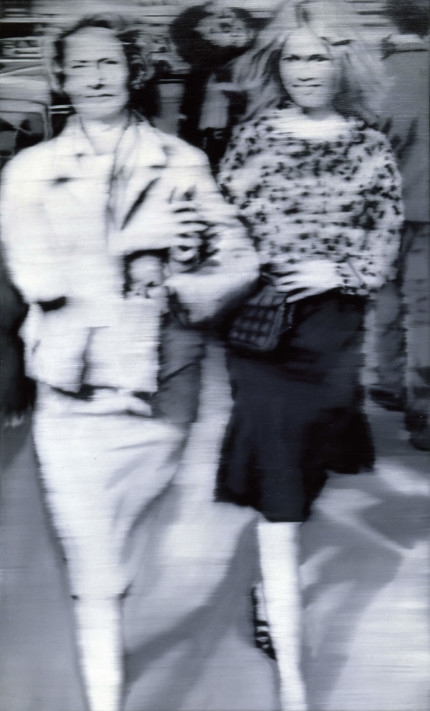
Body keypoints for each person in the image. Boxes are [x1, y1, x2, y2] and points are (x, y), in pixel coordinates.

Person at [0, 14, 258, 711]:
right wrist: (131, 240)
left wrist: (189, 284)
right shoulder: (29, 170)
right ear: (60, 77)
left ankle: (111, 599)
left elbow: (238, 256)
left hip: (162, 385)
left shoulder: (181, 159)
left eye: (108, 63)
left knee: (127, 538)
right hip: (73, 387)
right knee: (92, 558)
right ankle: (104, 693)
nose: (95, 77)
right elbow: (39, 278)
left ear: (133, 72)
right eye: (80, 65)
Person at [215, 1, 403, 708]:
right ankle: (291, 676)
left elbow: (384, 236)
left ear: (343, 63)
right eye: (293, 57)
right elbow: (226, 226)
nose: (305, 69)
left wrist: (339, 271)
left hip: (335, 330)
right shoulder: (254, 136)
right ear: (276, 67)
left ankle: (271, 578)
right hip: (263, 326)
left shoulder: (369, 145)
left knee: (313, 454)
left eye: (318, 55)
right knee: (278, 467)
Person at [370, 0, 430, 450]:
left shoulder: (381, 77)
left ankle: (389, 381)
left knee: (387, 296)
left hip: (390, 210)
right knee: (425, 310)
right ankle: (423, 407)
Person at [170, 3, 257, 171]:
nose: (233, 32)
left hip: (233, 124)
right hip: (202, 121)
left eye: (237, 28)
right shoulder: (204, 56)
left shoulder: (245, 58)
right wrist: (204, 10)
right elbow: (181, 31)